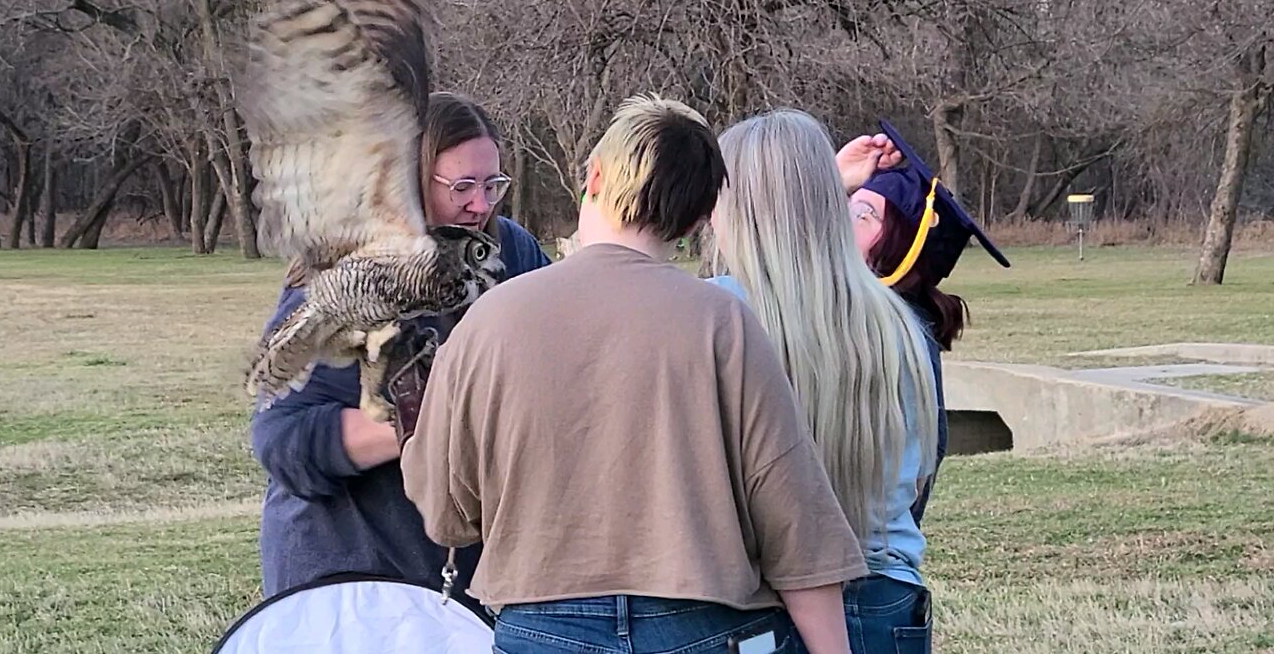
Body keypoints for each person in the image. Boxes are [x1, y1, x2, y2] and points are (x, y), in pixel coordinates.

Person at [401, 94, 865, 654]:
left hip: (541, 630)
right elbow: (797, 527)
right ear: (698, 219)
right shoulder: (724, 324)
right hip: (704, 626)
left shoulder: (486, 324)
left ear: (594, 178)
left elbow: (445, 510)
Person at [249, 92, 551, 619]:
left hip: (461, 584)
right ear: (411, 184)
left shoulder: (510, 252)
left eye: (492, 184)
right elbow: (283, 438)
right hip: (347, 576)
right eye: (461, 187)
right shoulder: (353, 268)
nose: (481, 204)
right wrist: (429, 423)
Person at [704, 109, 941, 654]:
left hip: (763, 603)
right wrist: (813, 183)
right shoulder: (897, 323)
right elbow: (919, 473)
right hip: (886, 594)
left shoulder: (716, 315)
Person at [844, 120, 1011, 524]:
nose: (839, 226)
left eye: (861, 216)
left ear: (903, 247)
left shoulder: (893, 341)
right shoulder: (873, 322)